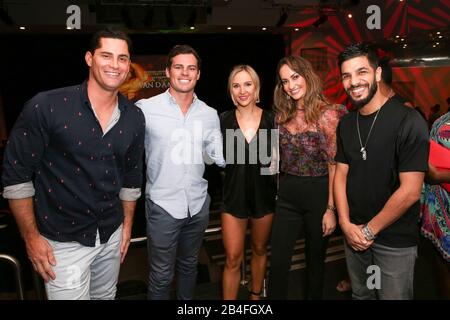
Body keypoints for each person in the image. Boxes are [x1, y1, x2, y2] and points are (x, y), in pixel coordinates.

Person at [1, 28, 145, 300]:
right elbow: (16, 178)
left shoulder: (134, 117)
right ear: (89, 58)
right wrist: (31, 237)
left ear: (129, 66)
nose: (115, 65)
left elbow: (131, 178)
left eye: (122, 58)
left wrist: (126, 227)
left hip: (111, 235)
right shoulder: (47, 106)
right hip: (62, 243)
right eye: (106, 55)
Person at [334, 43, 429, 300]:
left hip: (394, 238)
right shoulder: (345, 123)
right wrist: (345, 223)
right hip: (353, 233)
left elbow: (410, 191)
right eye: (346, 76)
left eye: (361, 72)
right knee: (361, 295)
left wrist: (368, 231)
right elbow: (340, 174)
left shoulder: (409, 121)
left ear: (377, 74)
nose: (354, 82)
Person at [135, 45, 225, 300]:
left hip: (198, 206)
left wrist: (254, 144)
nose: (185, 73)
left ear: (198, 74)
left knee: (189, 267)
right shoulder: (145, 109)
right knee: (161, 275)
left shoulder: (209, 114)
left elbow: (218, 158)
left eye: (191, 68)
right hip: (163, 206)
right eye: (178, 67)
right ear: (168, 72)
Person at [268, 56, 346, 300]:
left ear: (307, 76)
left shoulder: (329, 114)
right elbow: (271, 159)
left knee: (315, 260)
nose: (291, 85)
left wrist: (331, 209)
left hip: (320, 192)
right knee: (278, 260)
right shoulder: (280, 115)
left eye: (295, 77)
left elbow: (335, 166)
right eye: (284, 81)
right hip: (288, 193)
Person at [220, 65, 276, 300]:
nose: (242, 90)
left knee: (260, 249)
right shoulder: (222, 120)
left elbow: (276, 162)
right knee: (233, 258)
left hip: (264, 197)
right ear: (231, 91)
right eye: (236, 85)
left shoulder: (273, 119)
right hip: (233, 199)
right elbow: (214, 161)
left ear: (256, 88)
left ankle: (255, 297)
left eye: (247, 84)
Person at [420, 111, 450, 299]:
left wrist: (439, 176)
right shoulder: (441, 124)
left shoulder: (441, 123)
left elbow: (433, 174)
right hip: (442, 214)